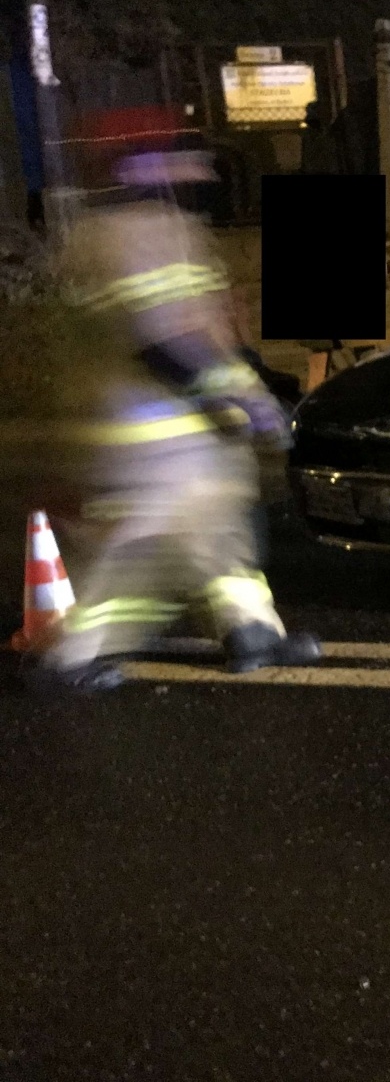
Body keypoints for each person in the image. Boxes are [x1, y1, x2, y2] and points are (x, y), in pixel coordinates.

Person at [25, 106, 321, 696]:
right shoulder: (129, 234)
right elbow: (163, 341)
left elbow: (199, 328)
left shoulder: (135, 229)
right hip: (149, 437)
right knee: (140, 547)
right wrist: (238, 400)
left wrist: (248, 388)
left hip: (178, 436)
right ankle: (68, 658)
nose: (200, 170)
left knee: (215, 534)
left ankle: (252, 632)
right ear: (144, 165)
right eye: (180, 155)